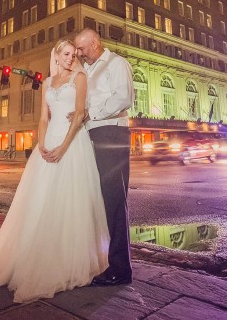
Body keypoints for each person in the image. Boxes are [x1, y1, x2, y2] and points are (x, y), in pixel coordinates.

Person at [0, 39, 109, 303]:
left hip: (72, 143)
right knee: (38, 202)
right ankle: (32, 252)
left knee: (68, 201)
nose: (71, 58)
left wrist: (62, 148)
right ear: (56, 56)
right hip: (48, 144)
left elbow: (80, 114)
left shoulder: (79, 78)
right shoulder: (47, 84)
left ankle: (67, 259)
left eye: (73, 54)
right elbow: (43, 118)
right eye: (66, 54)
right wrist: (41, 144)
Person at [75, 28, 135, 286]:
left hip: (111, 134)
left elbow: (123, 97)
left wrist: (92, 113)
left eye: (82, 48)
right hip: (90, 135)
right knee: (96, 200)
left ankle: (121, 270)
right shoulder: (86, 70)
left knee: (113, 200)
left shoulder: (117, 63)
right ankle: (103, 259)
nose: (79, 53)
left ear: (95, 43)